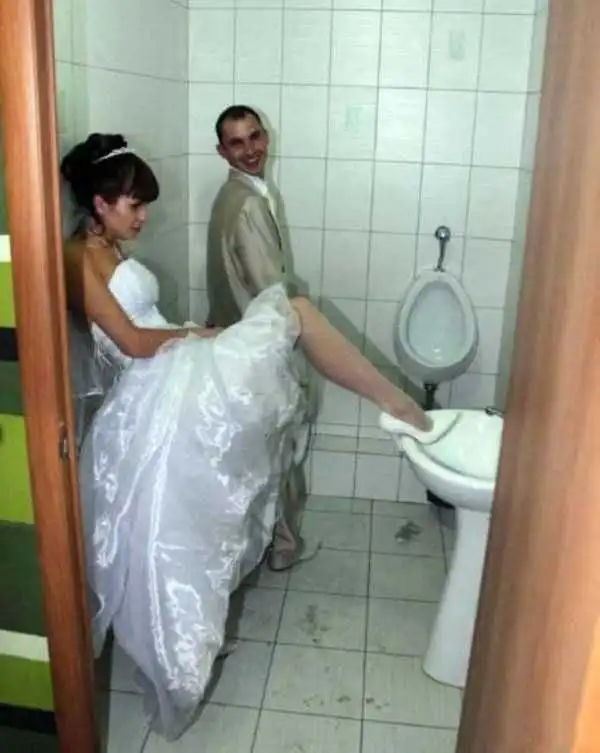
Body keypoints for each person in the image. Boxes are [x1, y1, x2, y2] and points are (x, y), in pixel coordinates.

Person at [61, 132, 430, 740]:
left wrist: (191, 333)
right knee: (291, 312)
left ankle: (392, 399)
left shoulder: (105, 245)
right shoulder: (78, 259)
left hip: (172, 364)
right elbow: (130, 341)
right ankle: (395, 401)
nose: (144, 215)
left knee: (291, 314)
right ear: (100, 203)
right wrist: (200, 336)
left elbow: (143, 326)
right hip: (155, 380)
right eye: (134, 204)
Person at [205, 105, 306, 571]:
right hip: (256, 345)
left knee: (260, 452)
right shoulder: (247, 203)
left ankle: (265, 545)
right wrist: (301, 333)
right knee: (276, 448)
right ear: (222, 151)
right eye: (237, 142)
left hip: (236, 337)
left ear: (267, 136)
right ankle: (282, 547)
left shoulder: (240, 193)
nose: (250, 150)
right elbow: (270, 290)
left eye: (255, 137)